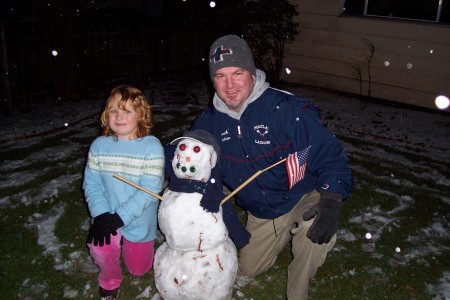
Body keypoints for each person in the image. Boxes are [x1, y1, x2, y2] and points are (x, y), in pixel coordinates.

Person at [190, 34, 353, 299]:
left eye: (237, 73)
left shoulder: (286, 110)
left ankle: (298, 290)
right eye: (221, 76)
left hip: (302, 194)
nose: (230, 85)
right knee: (250, 267)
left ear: (252, 74)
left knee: (314, 232)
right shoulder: (208, 124)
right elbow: (186, 161)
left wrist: (332, 197)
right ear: (212, 80)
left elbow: (330, 155)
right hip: (262, 210)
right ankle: (278, 237)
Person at [83, 85, 164, 299]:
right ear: (106, 114)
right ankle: (109, 279)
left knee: (138, 270)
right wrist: (101, 215)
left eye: (127, 111)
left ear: (141, 114)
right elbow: (92, 183)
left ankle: (140, 249)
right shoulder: (99, 146)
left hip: (139, 218)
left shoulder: (151, 147)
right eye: (114, 110)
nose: (119, 116)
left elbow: (149, 190)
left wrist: (121, 217)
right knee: (100, 245)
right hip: (108, 214)